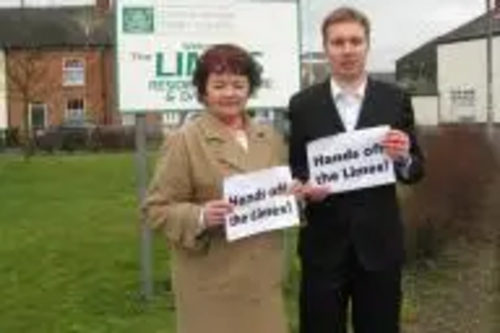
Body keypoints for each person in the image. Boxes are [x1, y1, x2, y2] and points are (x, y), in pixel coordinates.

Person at [288, 7, 425, 333]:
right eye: (338, 42)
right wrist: (302, 190)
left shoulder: (395, 99)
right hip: (322, 247)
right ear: (326, 48)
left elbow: (416, 169)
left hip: (379, 246)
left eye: (355, 41)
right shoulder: (302, 105)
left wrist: (403, 156)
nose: (347, 50)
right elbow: (297, 168)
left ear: (367, 45)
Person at [144, 44, 290, 333]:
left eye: (238, 84)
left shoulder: (269, 137)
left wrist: (293, 197)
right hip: (211, 286)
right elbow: (155, 210)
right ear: (203, 91)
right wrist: (200, 217)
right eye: (219, 85)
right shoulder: (184, 141)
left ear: (250, 89)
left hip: (263, 281)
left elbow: (275, 197)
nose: (230, 93)